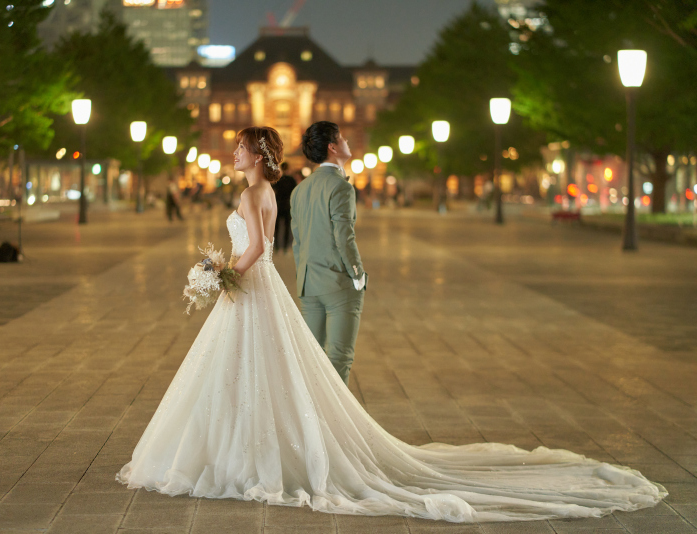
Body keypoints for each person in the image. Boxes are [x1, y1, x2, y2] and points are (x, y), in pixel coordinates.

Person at [116, 126, 665, 522]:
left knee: (249, 371)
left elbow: (261, 247)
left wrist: (219, 272)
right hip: (274, 288)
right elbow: (279, 243)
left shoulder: (267, 190)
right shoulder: (280, 190)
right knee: (288, 367)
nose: (233, 152)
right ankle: (278, 442)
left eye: (238, 146)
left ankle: (239, 449)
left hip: (271, 285)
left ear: (257, 153)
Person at [290, 121, 365, 386]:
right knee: (339, 358)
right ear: (333, 147)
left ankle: (311, 420)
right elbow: (344, 237)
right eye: (342, 138)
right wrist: (358, 274)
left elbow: (297, 242)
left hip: (309, 284)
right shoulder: (340, 187)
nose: (347, 142)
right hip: (337, 284)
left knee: (312, 358)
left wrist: (304, 276)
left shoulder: (299, 190)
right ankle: (334, 424)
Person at [272, 161, 297, 252]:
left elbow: (273, 191)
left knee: (277, 227)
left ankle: (277, 246)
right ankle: (286, 247)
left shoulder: (279, 179)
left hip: (278, 205)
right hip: (288, 205)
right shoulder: (291, 180)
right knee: (287, 227)